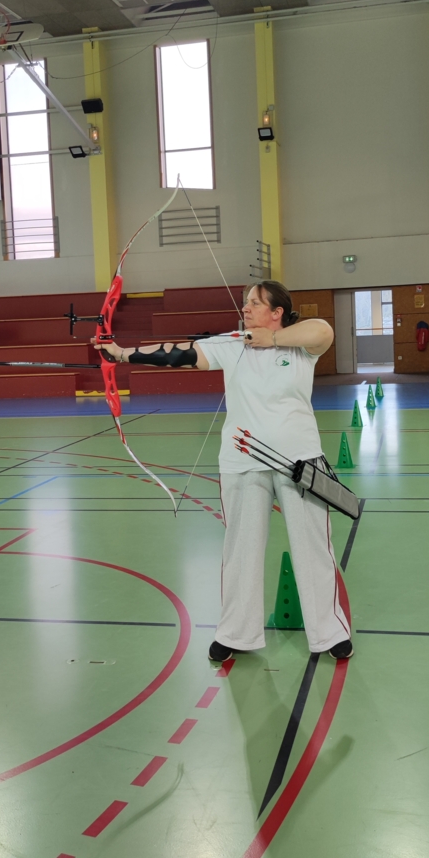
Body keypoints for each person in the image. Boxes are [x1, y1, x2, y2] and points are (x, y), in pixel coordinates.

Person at [93, 280, 352, 664]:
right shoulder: (233, 343)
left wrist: (272, 340)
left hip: (301, 461)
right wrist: (122, 353)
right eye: (246, 302)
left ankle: (330, 632)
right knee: (240, 550)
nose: (245, 308)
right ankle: (236, 633)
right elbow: (179, 353)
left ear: (277, 312)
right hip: (242, 462)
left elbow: (324, 331)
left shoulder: (301, 347)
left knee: (313, 547)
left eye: (255, 303)